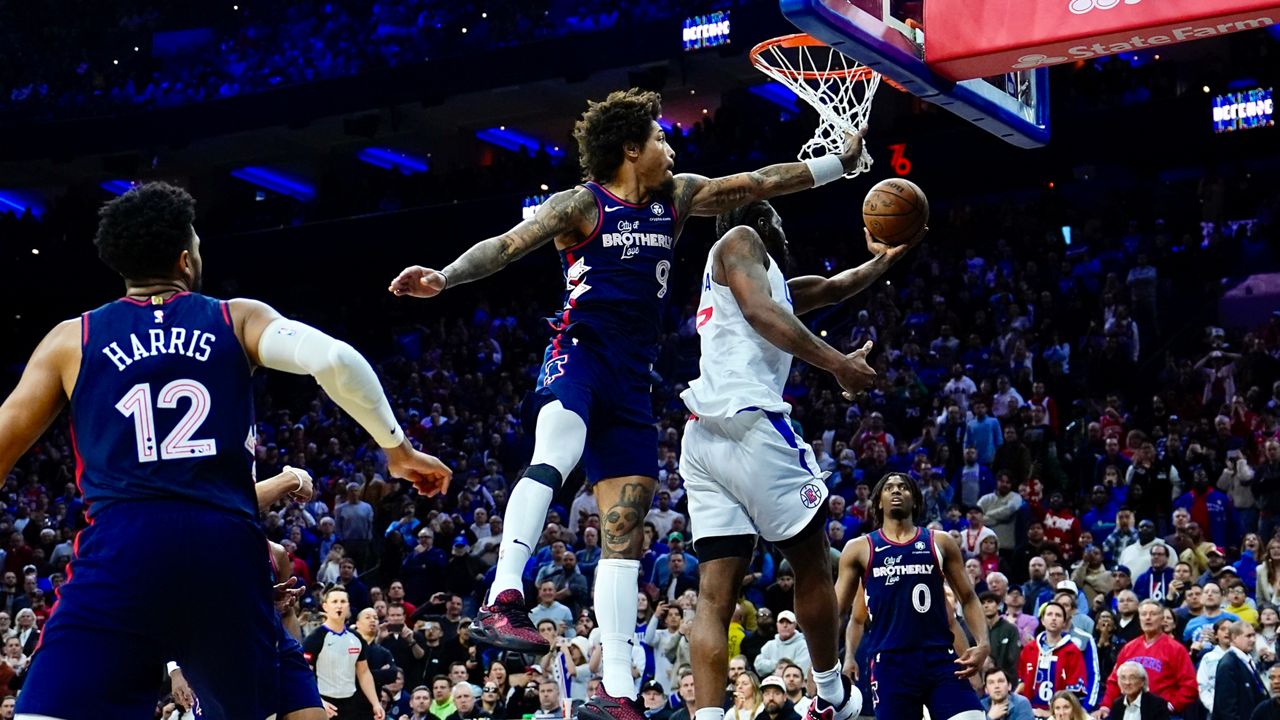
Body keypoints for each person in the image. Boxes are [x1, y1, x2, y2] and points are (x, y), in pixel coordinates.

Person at [389, 88, 871, 720]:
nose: (672, 148)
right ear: (631, 149)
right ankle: (504, 593)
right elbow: (508, 245)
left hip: (633, 378)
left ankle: (618, 691)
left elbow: (758, 181)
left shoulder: (677, 198)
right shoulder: (583, 205)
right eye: (661, 139)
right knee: (556, 453)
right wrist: (445, 277)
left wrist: (840, 163)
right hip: (580, 352)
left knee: (626, 524)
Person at [0, 183, 449, 720]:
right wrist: (397, 450)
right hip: (225, 549)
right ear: (185, 259)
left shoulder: (71, 339)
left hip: (123, 550)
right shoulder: (235, 318)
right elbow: (336, 362)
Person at [681, 200, 915, 720]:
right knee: (811, 561)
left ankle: (710, 715)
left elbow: (830, 289)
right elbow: (765, 317)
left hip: (703, 438)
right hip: (751, 423)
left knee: (714, 595)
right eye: (779, 220)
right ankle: (831, 693)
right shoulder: (742, 238)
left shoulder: (759, 278)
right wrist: (839, 366)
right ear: (760, 221)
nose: (785, 230)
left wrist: (882, 262)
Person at [836, 471, 989, 720]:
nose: (896, 490)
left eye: (903, 487)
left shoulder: (940, 542)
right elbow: (841, 613)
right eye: (889, 487)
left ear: (916, 501)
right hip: (890, 663)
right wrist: (838, 660)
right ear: (878, 502)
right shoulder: (859, 549)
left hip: (939, 657)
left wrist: (983, 644)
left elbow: (968, 599)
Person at [1098, 600, 1198, 716]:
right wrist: (1105, 707)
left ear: (1162, 620)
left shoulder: (1176, 649)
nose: (1148, 618)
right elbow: (1114, 681)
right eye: (1144, 614)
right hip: (1131, 711)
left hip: (1163, 714)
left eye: (1153, 614)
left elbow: (1190, 686)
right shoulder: (1128, 649)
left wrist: (1171, 706)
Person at [303, 586, 386, 720]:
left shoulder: (356, 638)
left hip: (351, 704)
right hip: (324, 702)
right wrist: (319, 701)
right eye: (334, 602)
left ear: (348, 607)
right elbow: (305, 674)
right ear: (325, 607)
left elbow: (364, 673)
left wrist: (376, 703)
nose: (339, 606)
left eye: (343, 602)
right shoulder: (315, 638)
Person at [1016, 602, 1086, 716]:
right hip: (1030, 713)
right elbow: (1022, 680)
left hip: (1060, 716)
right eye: (1049, 614)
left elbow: (1075, 689)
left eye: (1058, 615)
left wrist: (1051, 713)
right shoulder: (1029, 649)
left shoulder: (1072, 651)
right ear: (1042, 621)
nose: (1053, 618)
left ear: (1064, 623)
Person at [1213, 621, 1266, 720]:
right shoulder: (1228, 664)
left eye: (1254, 635)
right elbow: (1226, 707)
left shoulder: (1248, 660)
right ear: (1234, 637)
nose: (1253, 640)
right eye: (1248, 636)